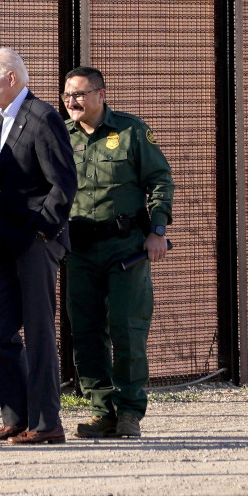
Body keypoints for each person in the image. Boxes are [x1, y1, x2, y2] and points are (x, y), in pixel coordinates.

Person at [0, 47, 77, 445]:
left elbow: (64, 183)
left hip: (36, 241)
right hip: (8, 242)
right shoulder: (2, 121)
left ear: (10, 79)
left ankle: (46, 423)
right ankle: (18, 415)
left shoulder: (43, 118)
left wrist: (42, 231)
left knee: (39, 330)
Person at [61, 66, 174, 439]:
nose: (72, 102)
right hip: (78, 247)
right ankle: (101, 410)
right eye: (66, 95)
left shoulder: (131, 130)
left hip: (125, 246)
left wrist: (157, 231)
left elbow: (159, 180)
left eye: (79, 94)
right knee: (87, 330)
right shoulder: (61, 136)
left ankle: (128, 411)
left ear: (100, 94)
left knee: (127, 327)